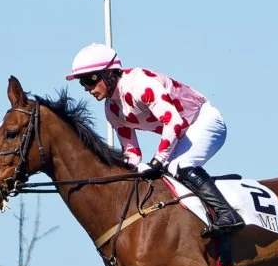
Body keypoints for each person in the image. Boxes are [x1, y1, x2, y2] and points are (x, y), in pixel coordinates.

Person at [66, 43, 244, 238]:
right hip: (182, 134)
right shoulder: (112, 109)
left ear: (109, 73)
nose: (86, 88)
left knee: (179, 166)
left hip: (203, 121)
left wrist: (157, 160)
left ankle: (228, 214)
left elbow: (173, 122)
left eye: (89, 80)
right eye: (82, 83)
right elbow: (132, 152)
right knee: (164, 177)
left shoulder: (139, 85)